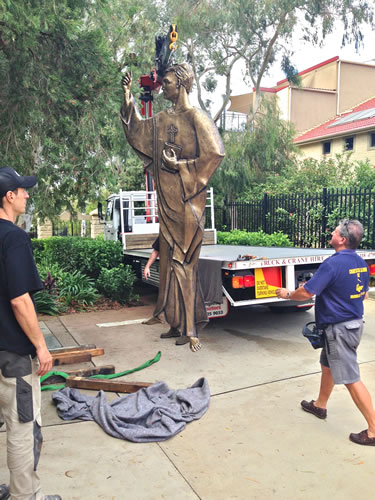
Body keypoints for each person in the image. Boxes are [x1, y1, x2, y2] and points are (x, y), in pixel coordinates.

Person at [120, 63, 224, 352]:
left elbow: (214, 154)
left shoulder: (196, 117)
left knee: (184, 261)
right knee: (168, 261)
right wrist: (128, 98)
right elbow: (138, 132)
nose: (162, 87)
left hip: (188, 201)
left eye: (166, 82)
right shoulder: (163, 117)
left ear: (182, 83)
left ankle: (191, 328)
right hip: (167, 200)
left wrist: (180, 166)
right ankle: (175, 322)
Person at [276, 219, 375, 446]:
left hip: (339, 329)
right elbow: (363, 294)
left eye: (333, 233)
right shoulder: (360, 263)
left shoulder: (333, 264)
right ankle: (320, 405)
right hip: (352, 324)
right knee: (327, 365)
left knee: (350, 378)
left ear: (342, 239)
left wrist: (287, 294)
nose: (330, 234)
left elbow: (307, 292)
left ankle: (373, 430)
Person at [0, 166, 61, 499]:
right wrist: (41, 346)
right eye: (22, 190)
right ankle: (27, 496)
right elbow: (20, 301)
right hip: (12, 358)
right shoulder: (14, 237)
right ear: (9, 197)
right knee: (22, 430)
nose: (26, 194)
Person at [143, 237, 188, 345]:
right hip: (169, 273)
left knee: (183, 303)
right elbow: (156, 251)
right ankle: (174, 329)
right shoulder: (164, 234)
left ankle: (188, 333)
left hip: (182, 272)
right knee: (171, 301)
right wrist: (147, 267)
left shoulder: (183, 233)